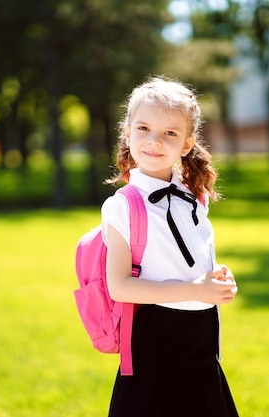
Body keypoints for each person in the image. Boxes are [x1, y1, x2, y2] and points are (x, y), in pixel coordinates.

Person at [101, 76, 240, 417]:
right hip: (154, 344)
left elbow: (195, 262)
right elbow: (119, 287)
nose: (154, 141)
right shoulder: (122, 206)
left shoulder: (195, 196)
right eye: (144, 128)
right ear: (128, 133)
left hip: (202, 341)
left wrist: (219, 280)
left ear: (187, 144)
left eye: (170, 133)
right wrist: (194, 289)